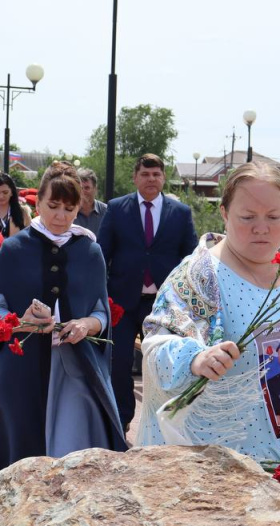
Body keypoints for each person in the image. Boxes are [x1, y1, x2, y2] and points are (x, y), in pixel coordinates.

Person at [137, 162, 280, 461]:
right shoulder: (198, 277)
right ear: (224, 213)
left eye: (274, 217)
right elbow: (158, 345)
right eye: (247, 217)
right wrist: (195, 359)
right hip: (225, 472)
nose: (261, 228)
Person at [0, 161, 127, 473]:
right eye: (53, 206)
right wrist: (20, 322)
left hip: (77, 370)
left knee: (76, 454)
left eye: (69, 208)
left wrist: (85, 325)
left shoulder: (90, 251)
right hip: (22, 373)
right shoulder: (12, 249)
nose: (61, 216)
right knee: (24, 457)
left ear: (80, 207)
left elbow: (102, 310)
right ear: (37, 203)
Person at [97, 153, 199, 433]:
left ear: (163, 177)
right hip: (123, 302)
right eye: (145, 174)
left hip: (165, 306)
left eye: (156, 175)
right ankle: (121, 420)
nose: (151, 179)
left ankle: (165, 422)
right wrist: (101, 292)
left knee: (166, 362)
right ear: (135, 177)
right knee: (118, 365)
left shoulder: (180, 213)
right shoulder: (117, 209)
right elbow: (102, 253)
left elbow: (191, 258)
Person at [0, 173, 30, 237]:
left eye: (5, 192)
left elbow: (30, 237)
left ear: (11, 192)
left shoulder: (23, 212)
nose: (1, 196)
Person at [72, 168, 107, 233]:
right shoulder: (69, 212)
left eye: (87, 188)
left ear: (95, 189)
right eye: (80, 188)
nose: (82, 192)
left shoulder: (106, 212)